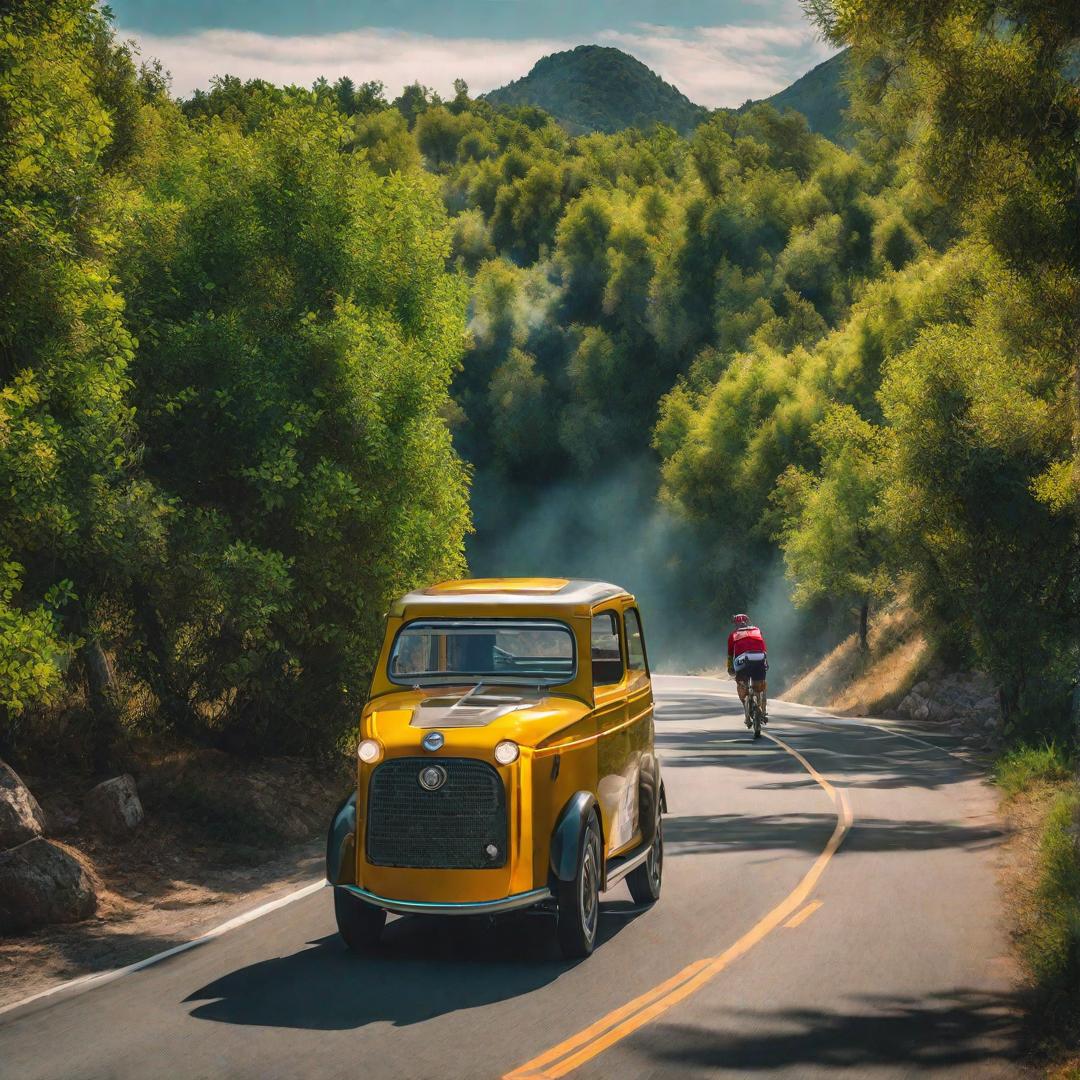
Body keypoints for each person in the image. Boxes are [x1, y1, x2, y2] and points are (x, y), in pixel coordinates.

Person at [727, 614, 768, 727]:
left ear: (736, 624)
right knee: (759, 686)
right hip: (759, 658)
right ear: (747, 622)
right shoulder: (757, 630)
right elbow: (763, 648)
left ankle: (747, 716)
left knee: (742, 686)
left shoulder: (733, 635)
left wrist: (730, 668)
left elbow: (730, 654)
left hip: (742, 661)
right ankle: (762, 709)